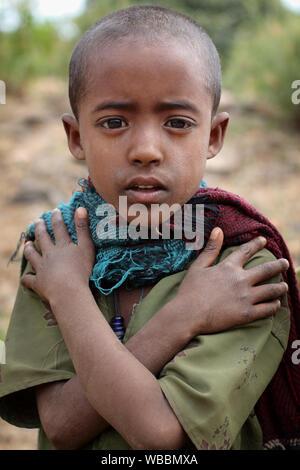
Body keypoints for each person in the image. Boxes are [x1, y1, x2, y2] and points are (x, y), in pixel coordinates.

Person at [0, 5, 299, 451]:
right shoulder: (56, 250)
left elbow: (159, 436)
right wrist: (185, 317)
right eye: (114, 122)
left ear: (214, 136)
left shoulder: (242, 264)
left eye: (177, 123)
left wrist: (68, 296)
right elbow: (61, 424)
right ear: (76, 136)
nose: (145, 150)